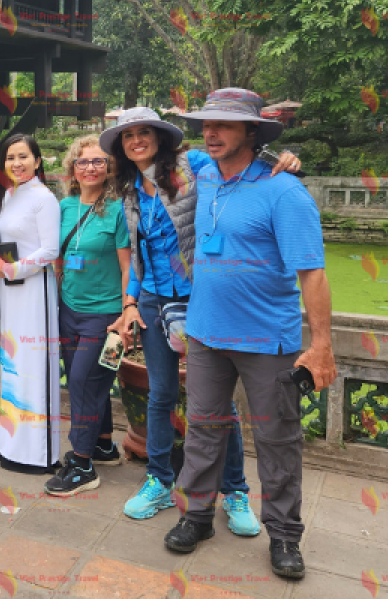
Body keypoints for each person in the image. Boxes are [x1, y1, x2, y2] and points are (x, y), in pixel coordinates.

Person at [164, 89, 336, 579]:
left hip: (267, 339)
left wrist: (321, 345)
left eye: (224, 126)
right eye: (206, 125)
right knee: (203, 428)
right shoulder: (204, 175)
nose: (211, 134)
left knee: (278, 438)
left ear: (252, 132)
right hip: (205, 334)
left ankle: (284, 534)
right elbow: (159, 150)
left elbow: (313, 273)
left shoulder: (285, 191)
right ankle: (196, 517)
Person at [103, 107, 298, 532]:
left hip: (200, 301)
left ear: (159, 137)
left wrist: (281, 158)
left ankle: (235, 491)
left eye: (144, 133)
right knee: (160, 394)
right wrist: (131, 303)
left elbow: (243, 163)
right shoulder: (130, 190)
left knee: (214, 404)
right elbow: (137, 257)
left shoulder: (192, 167)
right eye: (128, 135)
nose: (136, 140)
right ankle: (159, 478)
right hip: (154, 302)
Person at [45, 136, 130, 496]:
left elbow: (129, 267)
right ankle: (104, 444)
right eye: (83, 162)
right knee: (88, 381)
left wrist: (128, 310)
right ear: (72, 170)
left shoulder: (119, 210)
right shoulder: (64, 207)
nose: (90, 167)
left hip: (106, 315)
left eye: (98, 162)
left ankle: (82, 465)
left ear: (109, 169)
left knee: (83, 382)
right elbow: (58, 257)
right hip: (70, 310)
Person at [0, 134, 61, 472]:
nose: (16, 163)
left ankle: (39, 454)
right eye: (10, 158)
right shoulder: (9, 194)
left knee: (33, 368)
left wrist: (14, 269)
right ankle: (10, 443)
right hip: (10, 288)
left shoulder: (43, 198)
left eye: (23, 156)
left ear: (37, 160)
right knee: (12, 363)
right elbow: (9, 241)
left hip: (34, 291)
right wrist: (6, 271)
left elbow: (50, 250)